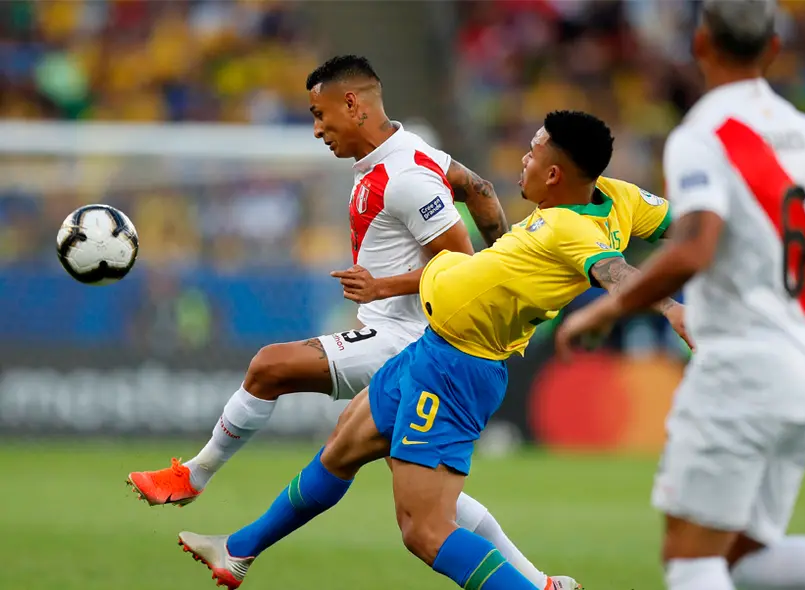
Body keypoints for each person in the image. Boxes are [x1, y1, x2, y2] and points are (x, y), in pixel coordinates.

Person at [174, 110, 686, 590]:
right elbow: (685, 226)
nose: (523, 160)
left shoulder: (569, 230)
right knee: (342, 449)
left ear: (554, 174)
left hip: (458, 367)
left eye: (532, 152)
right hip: (432, 347)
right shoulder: (618, 198)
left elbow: (615, 273)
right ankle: (239, 550)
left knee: (426, 531)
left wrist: (672, 309)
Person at [126, 55, 577, 590]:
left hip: (409, 341)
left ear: (353, 104)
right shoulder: (411, 156)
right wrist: (507, 262)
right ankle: (238, 551)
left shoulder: (406, 177)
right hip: (407, 342)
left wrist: (396, 285)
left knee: (271, 367)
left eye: (321, 116)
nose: (318, 130)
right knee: (390, 478)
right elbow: (478, 187)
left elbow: (459, 262)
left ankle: (193, 477)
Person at [555, 2, 805, 590]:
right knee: (740, 557)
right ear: (774, 50)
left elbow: (693, 248)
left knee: (690, 558)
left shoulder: (700, 136)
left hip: (742, 369)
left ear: (700, 44)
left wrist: (605, 309)